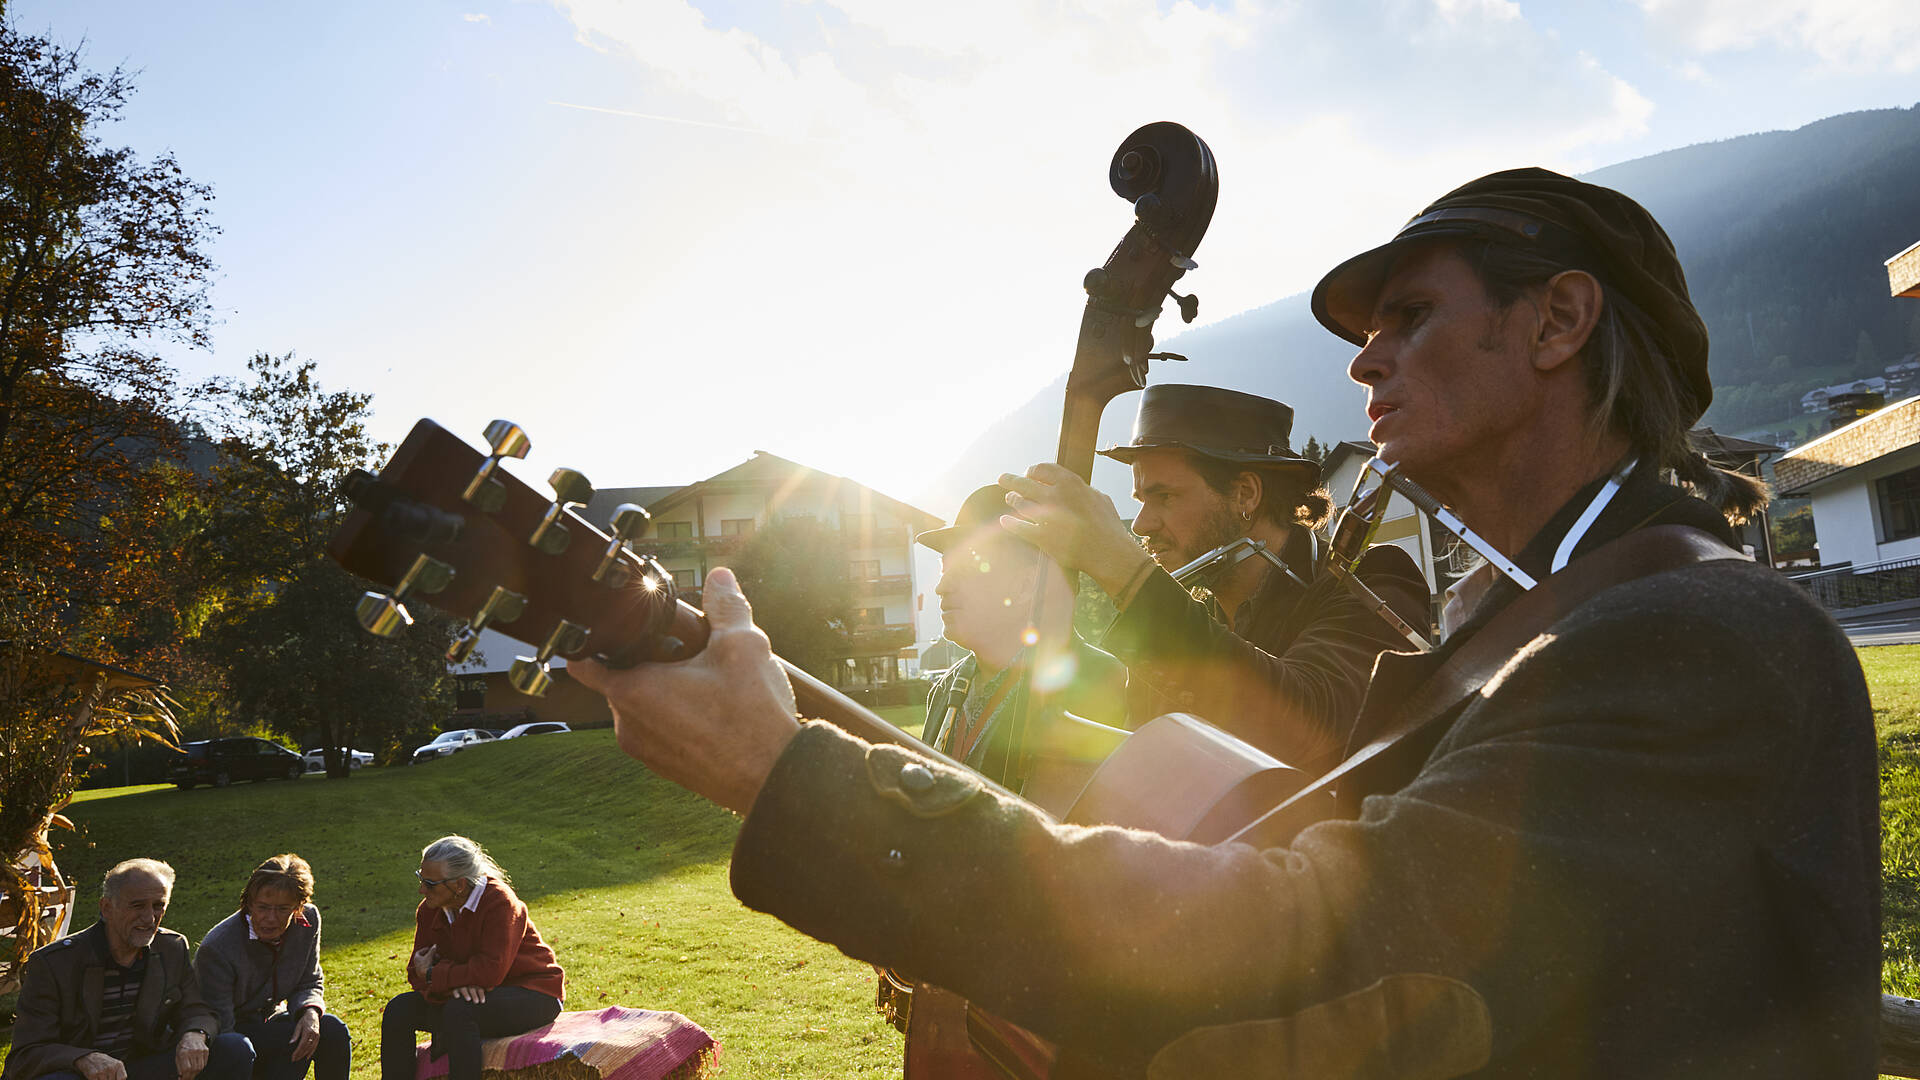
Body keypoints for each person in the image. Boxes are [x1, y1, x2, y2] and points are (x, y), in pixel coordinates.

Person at [572, 168, 1878, 1076]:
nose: (1363, 360)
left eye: (1409, 316)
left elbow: (1327, 946)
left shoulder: (1692, 633)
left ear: (1559, 321)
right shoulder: (1544, 618)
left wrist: (785, 777)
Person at [998, 384, 1431, 775]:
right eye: (1140, 500)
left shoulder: (1370, 581)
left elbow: (1310, 725)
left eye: (1164, 496)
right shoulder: (1187, 628)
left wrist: (1128, 573)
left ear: (1245, 494)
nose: (1142, 524)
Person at [916, 482, 1130, 791]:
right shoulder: (947, 688)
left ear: (1026, 585)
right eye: (943, 572)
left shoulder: (1094, 678)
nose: (942, 587)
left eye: (963, 570)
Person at [4, 860, 254, 1080]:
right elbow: (27, 1053)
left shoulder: (171, 947)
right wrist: (84, 1058)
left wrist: (195, 1034)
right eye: (137, 906)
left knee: (234, 1048)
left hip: (140, 1066)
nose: (149, 917)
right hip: (81, 1074)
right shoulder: (54, 963)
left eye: (158, 905)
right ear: (106, 908)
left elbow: (196, 1009)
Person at [379, 837, 564, 1080]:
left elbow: (488, 972)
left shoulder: (500, 901)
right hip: (471, 997)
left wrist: (437, 974)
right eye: (421, 879)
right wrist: (454, 983)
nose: (421, 890)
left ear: (459, 885)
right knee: (398, 1009)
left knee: (460, 1010)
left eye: (430, 884)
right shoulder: (429, 909)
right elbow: (416, 972)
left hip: (533, 992)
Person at [193, 855, 349, 1080]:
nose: (271, 918)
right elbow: (221, 1025)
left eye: (283, 909)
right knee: (267, 1043)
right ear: (249, 903)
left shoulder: (308, 921)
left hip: (271, 1020)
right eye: (263, 908)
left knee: (329, 1029)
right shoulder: (218, 947)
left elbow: (309, 980)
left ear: (298, 907)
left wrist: (309, 1013)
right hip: (231, 1034)